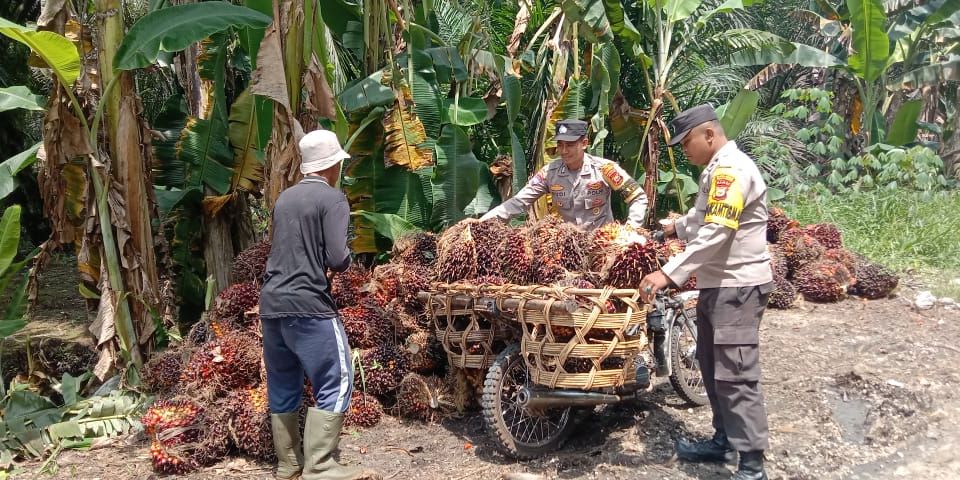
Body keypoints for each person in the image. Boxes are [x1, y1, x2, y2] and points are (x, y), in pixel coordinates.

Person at [637, 104, 773, 480]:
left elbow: (717, 232)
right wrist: (671, 230)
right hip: (719, 284)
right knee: (712, 367)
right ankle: (723, 439)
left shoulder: (732, 169)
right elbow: (702, 218)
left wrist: (669, 273)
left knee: (736, 373)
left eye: (687, 143)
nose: (684, 151)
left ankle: (751, 464)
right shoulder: (715, 170)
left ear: (709, 135)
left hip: (738, 286)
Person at [260, 129, 380, 480]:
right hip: (309, 303)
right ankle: (321, 466)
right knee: (337, 377)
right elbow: (337, 258)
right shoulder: (333, 199)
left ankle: (288, 465)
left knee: (283, 382)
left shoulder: (284, 199)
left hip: (272, 305)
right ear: (332, 166)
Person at [480, 119, 648, 230]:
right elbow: (518, 203)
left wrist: (630, 231)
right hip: (568, 248)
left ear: (584, 143)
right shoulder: (549, 173)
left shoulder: (605, 169)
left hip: (602, 245)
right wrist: (480, 224)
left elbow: (638, 197)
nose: (564, 151)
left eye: (570, 145)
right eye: (560, 145)